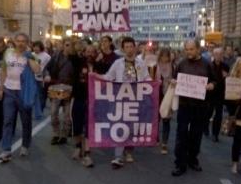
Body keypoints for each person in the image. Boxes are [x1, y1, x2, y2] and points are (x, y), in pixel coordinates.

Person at [171, 39, 216, 176]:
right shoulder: (181, 63)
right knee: (181, 134)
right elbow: (174, 78)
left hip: (200, 106)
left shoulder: (207, 64)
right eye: (186, 49)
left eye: (191, 49)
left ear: (198, 49)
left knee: (196, 134)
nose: (188, 52)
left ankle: (193, 159)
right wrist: (173, 82)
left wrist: (211, 86)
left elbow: (215, 81)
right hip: (184, 105)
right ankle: (180, 163)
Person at [104, 37, 150, 169]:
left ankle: (129, 151)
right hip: (121, 100)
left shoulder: (141, 63)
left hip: (136, 99)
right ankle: (118, 156)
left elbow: (146, 77)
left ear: (135, 48)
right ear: (123, 49)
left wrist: (152, 82)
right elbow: (108, 77)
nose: (129, 49)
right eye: (127, 47)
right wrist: (96, 76)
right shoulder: (118, 63)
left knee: (132, 127)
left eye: (131, 46)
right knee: (120, 127)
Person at [0, 33, 40, 162]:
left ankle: (25, 145)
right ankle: (6, 150)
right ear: (14, 42)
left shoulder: (31, 55)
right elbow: (3, 70)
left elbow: (37, 70)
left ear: (27, 43)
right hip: (9, 91)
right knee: (8, 120)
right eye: (18, 41)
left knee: (26, 121)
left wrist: (29, 57)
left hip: (23, 93)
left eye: (23, 41)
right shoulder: (8, 53)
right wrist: (0, 88)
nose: (20, 43)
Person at [44, 38, 75, 145]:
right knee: (53, 112)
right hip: (56, 86)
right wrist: (47, 75)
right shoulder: (56, 57)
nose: (68, 47)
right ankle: (56, 133)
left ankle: (64, 135)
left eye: (70, 45)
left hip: (70, 87)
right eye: (66, 45)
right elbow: (47, 68)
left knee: (67, 115)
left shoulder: (75, 59)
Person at [71, 44, 97, 167]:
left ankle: (87, 153)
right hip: (78, 99)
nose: (90, 54)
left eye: (92, 52)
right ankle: (77, 147)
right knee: (77, 125)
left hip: (93, 101)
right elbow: (71, 53)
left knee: (88, 127)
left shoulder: (99, 66)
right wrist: (74, 42)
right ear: (84, 52)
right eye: (88, 51)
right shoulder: (78, 63)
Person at [156, 48, 175, 154]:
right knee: (157, 118)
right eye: (162, 56)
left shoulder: (172, 66)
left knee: (166, 120)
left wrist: (173, 81)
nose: (164, 58)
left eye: (166, 56)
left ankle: (164, 143)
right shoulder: (155, 65)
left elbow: (176, 78)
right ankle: (156, 138)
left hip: (168, 95)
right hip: (157, 94)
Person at [209, 47, 229, 142]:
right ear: (213, 55)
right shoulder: (209, 65)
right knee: (208, 113)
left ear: (222, 55)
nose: (218, 56)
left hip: (220, 94)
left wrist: (227, 77)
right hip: (210, 93)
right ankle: (205, 127)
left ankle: (215, 134)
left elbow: (229, 79)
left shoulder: (225, 66)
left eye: (220, 54)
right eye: (216, 54)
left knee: (218, 115)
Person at [33, 41, 51, 118]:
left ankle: (40, 110)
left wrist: (47, 75)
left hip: (42, 79)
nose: (36, 48)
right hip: (32, 78)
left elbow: (49, 67)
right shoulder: (31, 55)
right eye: (34, 46)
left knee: (41, 96)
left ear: (41, 47)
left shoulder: (46, 56)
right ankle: (37, 111)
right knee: (34, 95)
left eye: (37, 46)